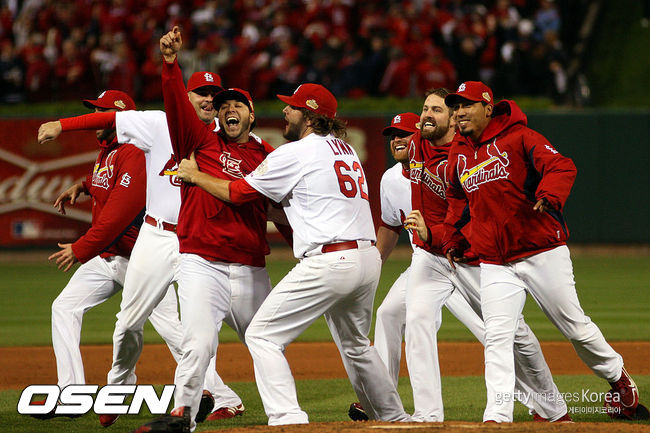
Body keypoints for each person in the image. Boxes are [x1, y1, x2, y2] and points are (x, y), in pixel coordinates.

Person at [173, 82, 412, 425]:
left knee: (262, 335)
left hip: (330, 261)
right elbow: (298, 203)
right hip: (366, 258)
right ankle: (394, 417)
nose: (285, 111)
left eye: (292, 106)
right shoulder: (345, 151)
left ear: (311, 116)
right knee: (357, 346)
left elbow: (238, 193)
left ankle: (287, 418)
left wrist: (195, 175)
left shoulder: (294, 153)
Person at [36, 72, 247, 427]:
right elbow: (108, 127)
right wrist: (66, 136)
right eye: (200, 93)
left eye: (214, 94)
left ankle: (215, 399)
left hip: (188, 243)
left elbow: (121, 207)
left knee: (188, 331)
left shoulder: (220, 139)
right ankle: (110, 389)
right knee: (127, 324)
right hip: (150, 241)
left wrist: (82, 247)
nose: (209, 99)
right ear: (185, 95)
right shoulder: (151, 128)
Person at [442, 81, 642, 422]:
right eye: (456, 106)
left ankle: (618, 378)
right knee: (498, 337)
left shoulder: (520, 137)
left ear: (488, 108)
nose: (459, 112)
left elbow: (562, 166)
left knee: (574, 327)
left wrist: (550, 193)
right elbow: (458, 199)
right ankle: (498, 415)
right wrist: (455, 237)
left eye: (467, 105)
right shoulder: (458, 153)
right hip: (495, 261)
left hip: (541, 250)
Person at [133, 27, 280, 432]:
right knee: (197, 344)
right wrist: (169, 65)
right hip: (202, 262)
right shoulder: (199, 142)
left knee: (267, 343)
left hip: (250, 265)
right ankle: (183, 416)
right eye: (222, 104)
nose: (227, 109)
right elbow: (177, 107)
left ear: (251, 114)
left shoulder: (269, 156)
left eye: (237, 104)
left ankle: (286, 418)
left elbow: (280, 208)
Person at [400, 88, 570, 422]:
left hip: (470, 255)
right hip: (430, 256)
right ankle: (428, 415)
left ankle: (551, 407)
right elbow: (403, 143)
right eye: (424, 108)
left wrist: (446, 235)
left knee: (511, 334)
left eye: (437, 110)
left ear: (454, 121)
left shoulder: (466, 156)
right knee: (408, 317)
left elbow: (470, 211)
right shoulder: (418, 145)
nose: (427, 115)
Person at [348, 112, 486, 421]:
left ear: (422, 136)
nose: (395, 139)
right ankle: (381, 401)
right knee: (388, 314)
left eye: (403, 133)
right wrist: (371, 267)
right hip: (424, 263)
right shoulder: (390, 178)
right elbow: (388, 228)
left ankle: (540, 402)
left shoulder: (446, 166)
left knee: (490, 332)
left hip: (461, 262)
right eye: (391, 135)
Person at [30, 90, 150, 419]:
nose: (95, 116)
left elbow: (116, 216)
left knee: (173, 331)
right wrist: (81, 187)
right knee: (64, 307)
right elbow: (102, 181)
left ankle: (214, 392)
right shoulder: (107, 152)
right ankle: (71, 393)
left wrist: (81, 248)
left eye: (101, 111)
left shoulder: (135, 151)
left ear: (120, 117)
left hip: (141, 261)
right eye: (94, 110)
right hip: (108, 256)